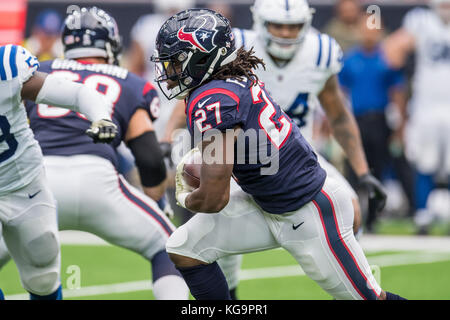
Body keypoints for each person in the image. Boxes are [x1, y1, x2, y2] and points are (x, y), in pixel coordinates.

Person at [152, 7, 406, 300]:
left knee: (371, 299)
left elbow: (214, 199)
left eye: (177, 61)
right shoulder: (228, 79)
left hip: (307, 209)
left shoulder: (214, 99)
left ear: (202, 59)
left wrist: (186, 194)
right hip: (265, 199)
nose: (169, 71)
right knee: (184, 247)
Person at [0, 7, 188, 300]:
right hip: (100, 183)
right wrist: (156, 201)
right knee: (172, 246)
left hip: (37, 184)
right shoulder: (128, 81)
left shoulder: (42, 70)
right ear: (111, 44)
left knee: (39, 277)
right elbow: (149, 157)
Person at [0, 42, 117, 300]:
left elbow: (76, 94)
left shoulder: (6, 67)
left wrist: (101, 117)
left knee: (42, 276)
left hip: (23, 183)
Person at [339, 18, 416, 230]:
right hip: (357, 121)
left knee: (377, 170)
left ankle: (372, 218)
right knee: (352, 171)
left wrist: (400, 125)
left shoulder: (387, 58)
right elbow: (339, 94)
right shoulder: (350, 59)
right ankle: (349, 217)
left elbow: (397, 93)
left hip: (380, 120)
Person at [383, 0, 450, 234]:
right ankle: (422, 216)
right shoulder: (421, 20)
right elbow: (392, 52)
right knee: (424, 162)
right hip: (427, 106)